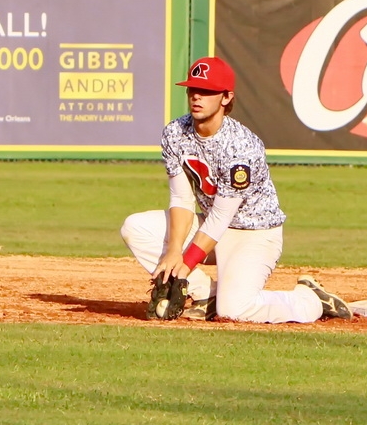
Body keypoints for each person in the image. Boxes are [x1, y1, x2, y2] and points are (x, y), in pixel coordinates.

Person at [120, 56, 352, 323]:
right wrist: (174, 251)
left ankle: (310, 300)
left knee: (234, 310)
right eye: (193, 89)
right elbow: (181, 198)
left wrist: (185, 265)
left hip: (253, 234)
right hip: (210, 226)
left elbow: (222, 217)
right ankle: (206, 295)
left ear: (226, 97)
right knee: (135, 227)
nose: (197, 96)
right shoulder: (175, 133)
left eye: (207, 91)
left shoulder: (242, 146)